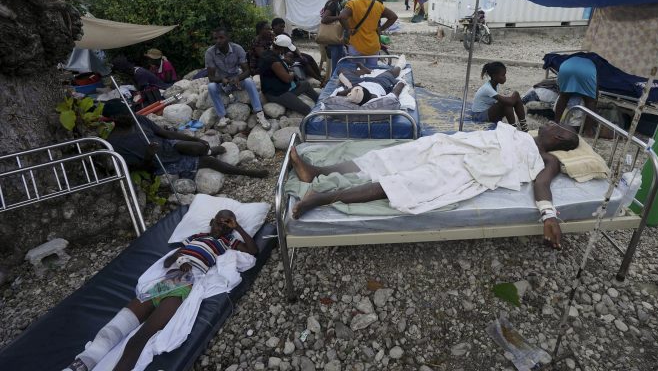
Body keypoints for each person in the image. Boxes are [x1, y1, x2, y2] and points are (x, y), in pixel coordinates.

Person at [289, 122, 579, 249]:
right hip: (456, 145)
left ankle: (322, 197)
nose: (552, 124)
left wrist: (548, 214)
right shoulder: (520, 133)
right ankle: (317, 171)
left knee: (406, 183)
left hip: (468, 168)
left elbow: (542, 184)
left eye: (558, 127)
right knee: (393, 154)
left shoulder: (546, 158)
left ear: (559, 140)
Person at [63, 210, 257, 371]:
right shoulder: (196, 237)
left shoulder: (226, 242)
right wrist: (180, 261)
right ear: (211, 222)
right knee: (114, 328)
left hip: (185, 284)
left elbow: (253, 250)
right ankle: (81, 364)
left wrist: (237, 227)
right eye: (218, 223)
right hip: (167, 279)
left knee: (142, 336)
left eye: (226, 225)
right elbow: (168, 260)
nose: (221, 227)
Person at [102, 100, 268, 179]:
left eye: (130, 112)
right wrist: (148, 156)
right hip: (160, 162)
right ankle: (247, 172)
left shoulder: (137, 119)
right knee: (207, 161)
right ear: (114, 118)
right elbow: (137, 168)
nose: (130, 115)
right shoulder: (115, 143)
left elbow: (165, 134)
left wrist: (196, 140)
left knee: (199, 147)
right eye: (125, 115)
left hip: (168, 145)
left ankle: (209, 149)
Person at [205, 28, 270, 130]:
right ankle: (223, 116)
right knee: (211, 86)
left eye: (221, 38)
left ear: (228, 38)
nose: (218, 41)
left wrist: (238, 78)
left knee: (249, 81)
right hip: (222, 82)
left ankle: (259, 113)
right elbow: (211, 77)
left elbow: (247, 71)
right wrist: (221, 79)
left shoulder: (237, 49)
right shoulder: (210, 52)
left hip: (237, 79)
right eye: (215, 38)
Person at [339, 0, 398, 67]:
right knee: (372, 72)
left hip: (356, 46)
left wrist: (349, 29)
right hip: (373, 46)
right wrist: (381, 28)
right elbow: (393, 17)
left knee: (356, 73)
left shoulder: (352, 4)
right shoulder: (378, 5)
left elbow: (342, 17)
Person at [258, 34, 320, 115]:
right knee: (306, 109)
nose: (289, 51)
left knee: (305, 84)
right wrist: (293, 73)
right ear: (282, 48)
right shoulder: (274, 61)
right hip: (277, 93)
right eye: (287, 49)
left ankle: (321, 101)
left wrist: (285, 63)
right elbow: (287, 79)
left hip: (281, 87)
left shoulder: (267, 53)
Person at [554, 56, 612, 138]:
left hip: (565, 67)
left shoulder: (572, 59)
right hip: (586, 72)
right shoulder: (595, 66)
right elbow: (595, 94)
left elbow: (561, 88)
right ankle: (588, 131)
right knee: (590, 101)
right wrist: (593, 100)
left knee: (564, 97)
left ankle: (555, 123)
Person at [470, 61, 528, 131]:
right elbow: (509, 102)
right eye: (503, 75)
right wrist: (516, 96)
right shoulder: (487, 88)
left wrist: (515, 97)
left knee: (508, 102)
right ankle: (514, 129)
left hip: (487, 111)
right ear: (494, 76)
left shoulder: (495, 84)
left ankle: (523, 126)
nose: (505, 77)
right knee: (506, 103)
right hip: (478, 116)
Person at [321, 0, 348, 75]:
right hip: (334, 40)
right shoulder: (332, 4)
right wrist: (339, 17)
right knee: (337, 66)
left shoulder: (334, 3)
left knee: (339, 63)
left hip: (334, 40)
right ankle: (334, 86)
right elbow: (324, 19)